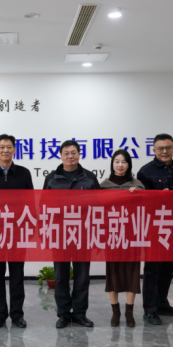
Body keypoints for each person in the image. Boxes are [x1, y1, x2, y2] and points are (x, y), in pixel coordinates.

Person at [0, 134, 34, 329]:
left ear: (14, 150)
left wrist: (29, 229)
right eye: (1, 147)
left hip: (17, 233)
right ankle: (0, 314)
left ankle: (17, 314)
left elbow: (30, 204)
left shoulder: (24, 173)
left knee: (17, 275)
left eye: (9, 147)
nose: (5, 150)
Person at [43, 140, 100, 328]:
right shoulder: (52, 178)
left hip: (83, 234)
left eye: (73, 152)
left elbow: (98, 206)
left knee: (82, 276)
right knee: (61, 276)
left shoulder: (89, 177)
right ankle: (63, 314)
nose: (70, 156)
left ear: (79, 154)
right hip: (59, 234)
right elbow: (44, 206)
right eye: (66, 153)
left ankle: (80, 313)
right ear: (61, 155)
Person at [136, 134, 173, 325]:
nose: (165, 151)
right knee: (153, 269)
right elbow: (141, 202)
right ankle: (149, 310)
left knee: (168, 268)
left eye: (168, 148)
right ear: (154, 150)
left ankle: (162, 303)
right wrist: (158, 197)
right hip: (154, 228)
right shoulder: (145, 172)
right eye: (160, 148)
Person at [100, 149, 144, 327]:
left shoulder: (137, 185)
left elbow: (147, 208)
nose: (120, 165)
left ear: (129, 165)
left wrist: (138, 196)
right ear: (112, 163)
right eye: (117, 161)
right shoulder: (103, 186)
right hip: (111, 236)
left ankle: (129, 312)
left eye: (124, 162)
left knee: (132, 272)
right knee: (113, 272)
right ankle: (115, 311)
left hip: (132, 235)